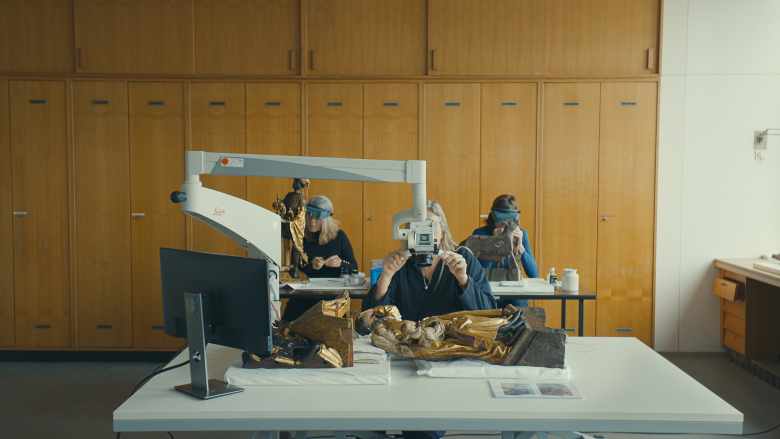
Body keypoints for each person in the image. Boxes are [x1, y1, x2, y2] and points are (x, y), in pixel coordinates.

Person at [361, 199, 496, 439]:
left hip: (446, 359)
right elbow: (372, 318)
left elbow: (487, 313)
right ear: (408, 233)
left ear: (443, 231)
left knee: (422, 429)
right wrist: (386, 275)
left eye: (431, 226)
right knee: (368, 420)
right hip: (401, 357)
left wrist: (463, 279)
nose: (425, 234)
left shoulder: (463, 258)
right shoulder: (401, 264)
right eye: (418, 227)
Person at [280, 195, 357, 322]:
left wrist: (340, 264)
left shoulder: (339, 236)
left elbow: (354, 267)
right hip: (303, 296)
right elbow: (293, 270)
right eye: (309, 215)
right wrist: (310, 264)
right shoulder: (300, 237)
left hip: (332, 297)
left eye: (317, 218)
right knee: (287, 323)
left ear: (326, 219)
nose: (312, 221)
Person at [471, 194, 538, 308]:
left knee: (520, 303)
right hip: (489, 289)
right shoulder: (480, 234)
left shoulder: (521, 234)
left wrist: (521, 249)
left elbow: (533, 274)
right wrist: (492, 244)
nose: (505, 224)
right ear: (494, 216)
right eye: (501, 220)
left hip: (513, 290)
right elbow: (478, 273)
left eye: (510, 220)